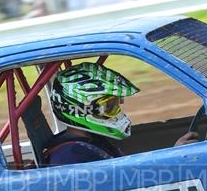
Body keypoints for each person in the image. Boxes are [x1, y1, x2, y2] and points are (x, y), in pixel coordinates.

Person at [44, 62, 198, 166]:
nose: (117, 112)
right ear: (78, 110)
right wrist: (172, 161)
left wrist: (173, 154)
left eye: (116, 104)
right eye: (109, 106)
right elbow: (123, 188)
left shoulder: (91, 141)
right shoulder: (70, 156)